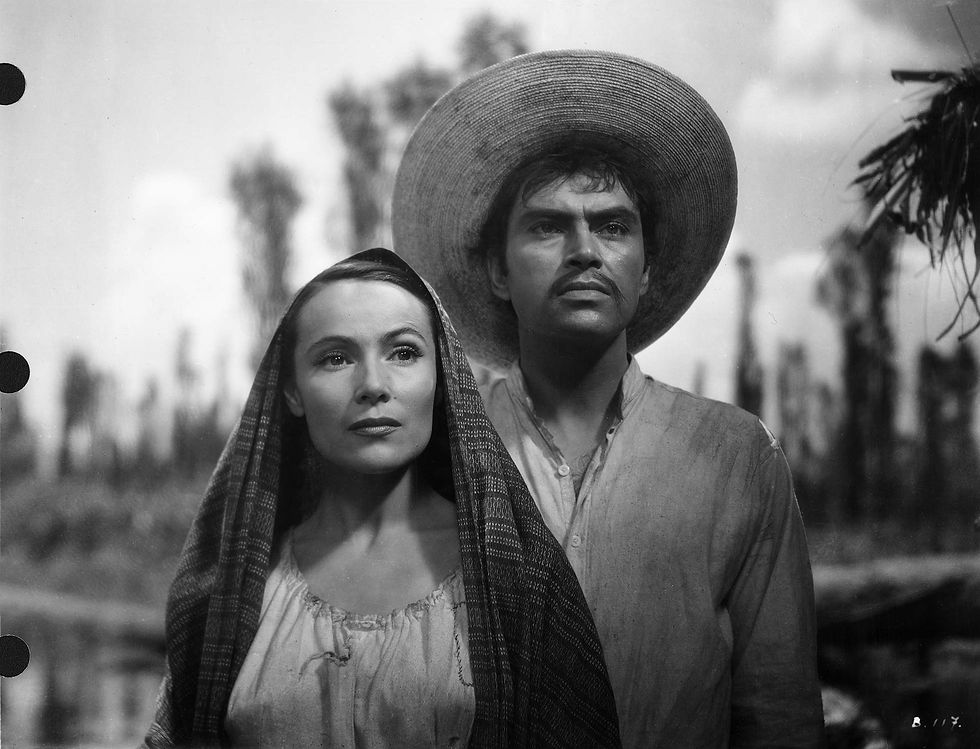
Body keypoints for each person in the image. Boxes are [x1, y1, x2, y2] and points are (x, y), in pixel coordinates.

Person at [392, 51, 826, 747]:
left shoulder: (737, 457)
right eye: (547, 226)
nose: (585, 250)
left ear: (647, 267)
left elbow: (781, 715)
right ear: (499, 270)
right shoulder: (439, 452)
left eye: (613, 225)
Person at [142, 248, 620, 748]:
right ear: (292, 392)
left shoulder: (522, 576)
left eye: (404, 352)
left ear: (443, 381)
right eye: (336, 357)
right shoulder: (235, 587)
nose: (373, 385)